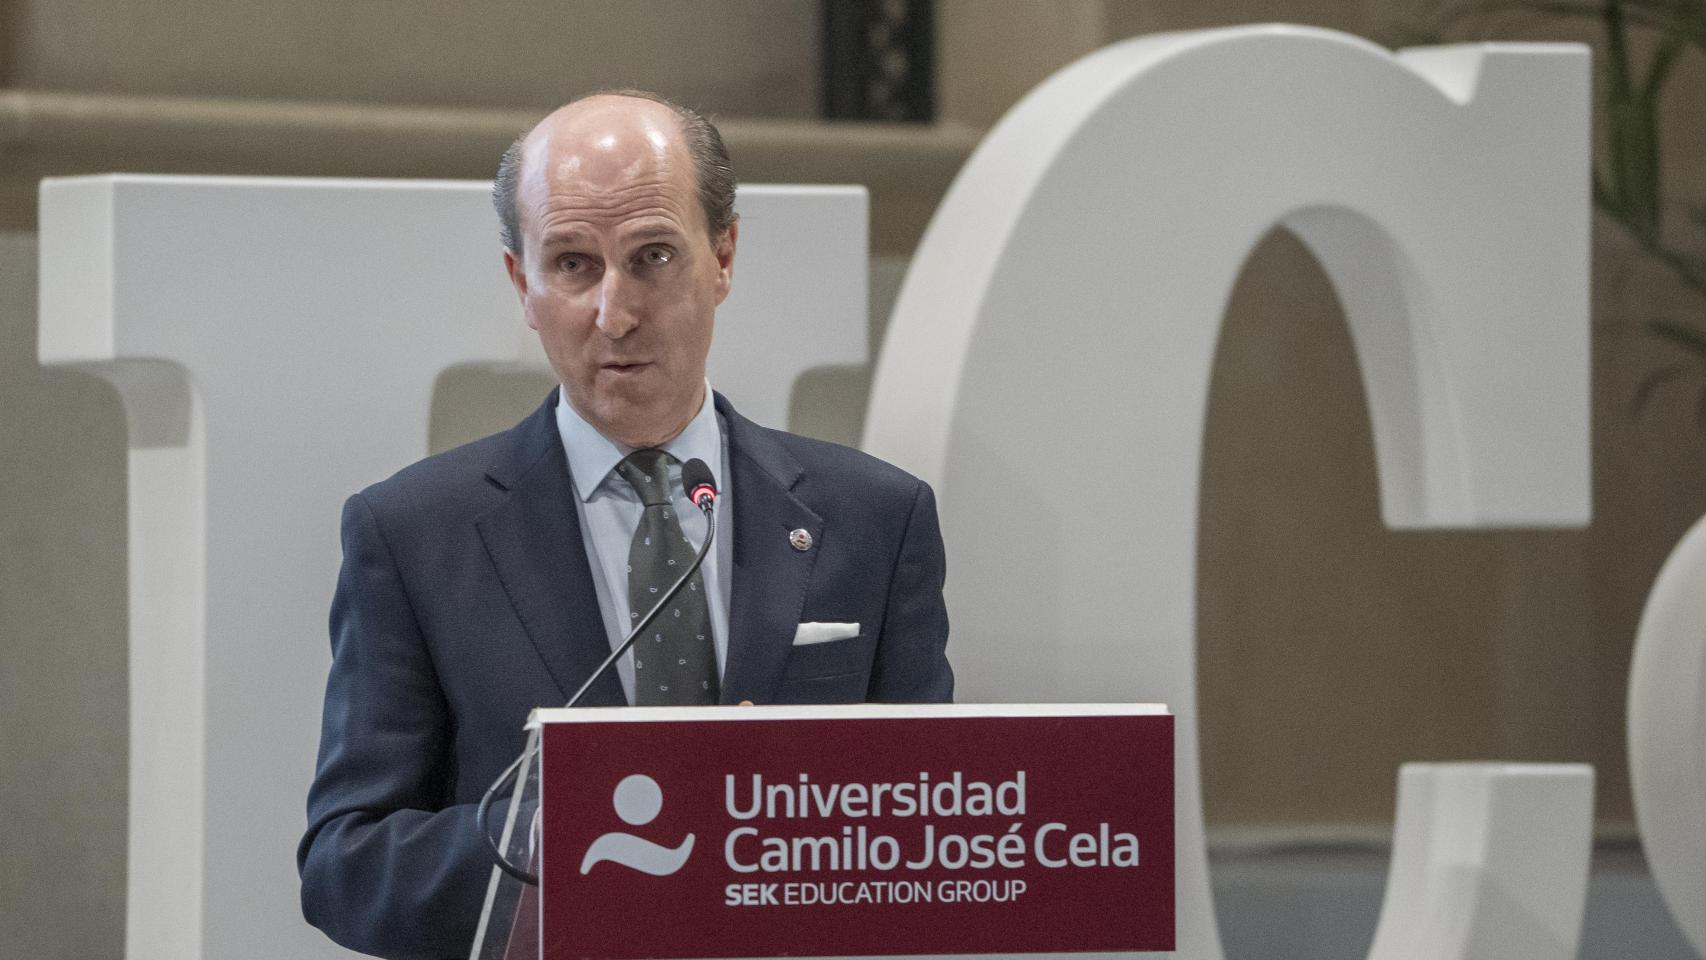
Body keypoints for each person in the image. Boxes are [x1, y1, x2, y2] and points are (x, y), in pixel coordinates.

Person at [297, 91, 952, 959]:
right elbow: (346, 865)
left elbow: (933, 829)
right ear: (521, 284)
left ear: (722, 256)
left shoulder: (875, 518)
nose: (615, 312)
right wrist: (579, 836)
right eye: (572, 264)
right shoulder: (414, 535)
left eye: (652, 256)